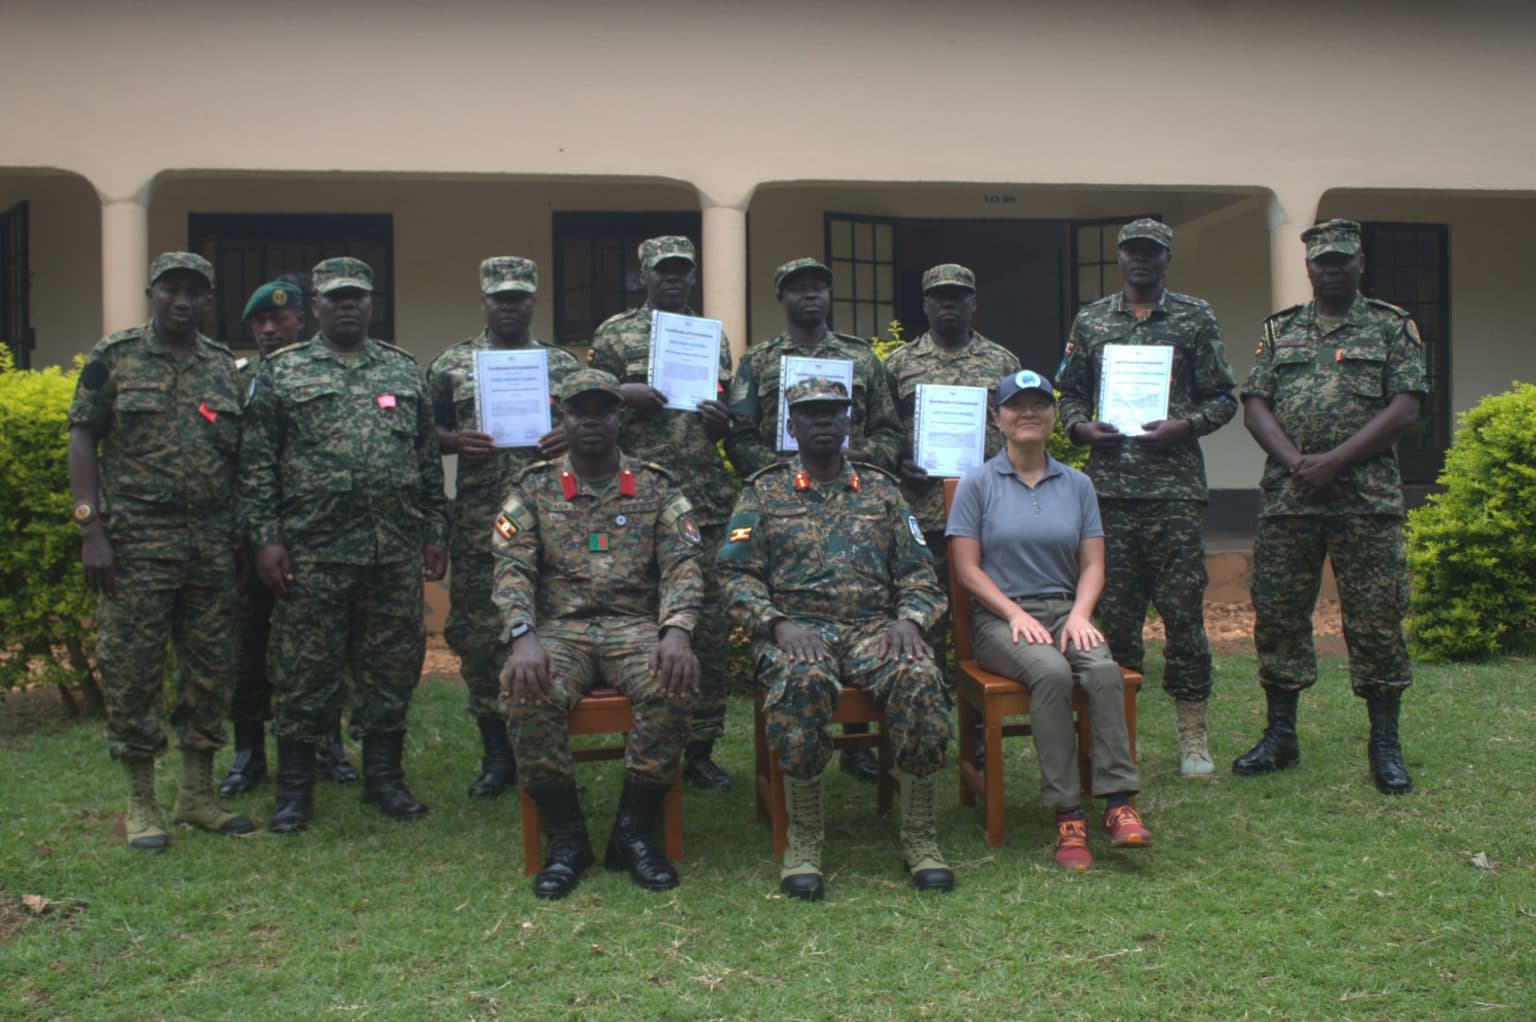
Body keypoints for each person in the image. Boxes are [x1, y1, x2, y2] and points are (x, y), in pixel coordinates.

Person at [719, 377, 952, 900]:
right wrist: (778, 625)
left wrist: (910, 620)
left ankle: (919, 835)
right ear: (792, 426)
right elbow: (735, 577)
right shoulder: (763, 490)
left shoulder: (881, 489)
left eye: (833, 414)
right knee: (800, 681)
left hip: (875, 628)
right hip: (798, 628)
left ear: (848, 424)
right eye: (810, 414)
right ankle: (803, 836)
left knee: (919, 676)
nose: (823, 422)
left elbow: (919, 573)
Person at [241, 256, 449, 832]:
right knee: (303, 672)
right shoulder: (283, 374)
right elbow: (258, 469)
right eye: (335, 298)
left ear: (372, 303)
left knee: (391, 668)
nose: (348, 305)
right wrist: (266, 540)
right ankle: (294, 792)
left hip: (393, 553)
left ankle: (384, 780)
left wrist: (435, 532)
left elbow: (427, 465)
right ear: (315, 308)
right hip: (313, 555)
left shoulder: (405, 372)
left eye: (357, 296)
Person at [67, 251, 254, 850]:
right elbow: (83, 436)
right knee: (132, 670)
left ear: (207, 300)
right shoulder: (114, 357)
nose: (182, 301)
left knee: (209, 669)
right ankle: (141, 802)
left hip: (209, 543)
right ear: (152, 292)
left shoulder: (225, 367)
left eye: (195, 292)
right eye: (171, 289)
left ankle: (196, 795)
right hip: (136, 542)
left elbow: (237, 457)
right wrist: (90, 528)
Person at [493, 369, 702, 900]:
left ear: (619, 417)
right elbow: (511, 569)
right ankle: (566, 837)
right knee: (527, 690)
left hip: (635, 629)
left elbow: (683, 566)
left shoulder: (656, 485)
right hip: (560, 633)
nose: (590, 420)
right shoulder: (533, 487)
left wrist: (676, 631)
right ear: (562, 419)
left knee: (670, 683)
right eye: (577, 411)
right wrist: (523, 636)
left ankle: (633, 832)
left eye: (602, 410)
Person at [1233, 219, 1425, 795]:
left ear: (1359, 263)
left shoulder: (1392, 327)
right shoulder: (1281, 329)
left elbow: (1406, 408)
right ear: (1309, 267)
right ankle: (1280, 734)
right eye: (1322, 261)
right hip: (1291, 499)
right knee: (1279, 614)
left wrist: (1333, 461)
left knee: (1376, 619)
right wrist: (1297, 462)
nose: (1332, 269)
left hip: (1365, 501)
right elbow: (1255, 404)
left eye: (1342, 260)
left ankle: (1384, 744)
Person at [947, 370, 1150, 873]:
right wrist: (1015, 613)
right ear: (999, 419)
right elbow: (966, 568)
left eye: (1040, 404)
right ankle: (1069, 813)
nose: (1028, 413)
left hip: (1067, 610)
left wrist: (1081, 614)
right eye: (1017, 405)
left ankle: (1118, 801)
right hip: (1001, 619)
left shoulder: (1077, 484)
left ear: (1055, 417)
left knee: (1102, 672)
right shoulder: (977, 483)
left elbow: (1094, 564)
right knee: (1052, 673)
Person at [1057, 219, 1237, 777]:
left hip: (1174, 492)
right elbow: (1070, 396)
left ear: (1165, 259)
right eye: (1131, 252)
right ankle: (1120, 735)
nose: (1140, 261)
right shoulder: (1092, 320)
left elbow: (1225, 396)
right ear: (1119, 258)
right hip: (1108, 494)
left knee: (1183, 614)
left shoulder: (1193, 316)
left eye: (1151, 253)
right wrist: (1081, 429)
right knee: (1113, 617)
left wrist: (1186, 425)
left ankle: (1192, 735)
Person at [726, 257, 905, 784]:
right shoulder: (757, 361)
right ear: (781, 299)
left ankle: (858, 746)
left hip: (857, 500)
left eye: (818, 288)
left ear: (830, 297)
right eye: (797, 289)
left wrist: (841, 463)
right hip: (784, 508)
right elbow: (738, 435)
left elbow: (892, 434)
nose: (810, 296)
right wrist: (788, 476)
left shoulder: (862, 360)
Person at [589, 236, 737, 791]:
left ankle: (700, 744)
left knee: (708, 627)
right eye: (662, 271)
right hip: (630, 498)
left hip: (700, 496)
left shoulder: (710, 336)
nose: (673, 279)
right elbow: (584, 399)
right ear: (643, 274)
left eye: (682, 271)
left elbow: (725, 406)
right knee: (637, 617)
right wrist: (623, 392)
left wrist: (723, 420)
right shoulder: (614, 334)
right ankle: (649, 734)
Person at [428, 256, 579, 799]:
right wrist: (453, 441)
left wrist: (569, 434)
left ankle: (545, 743)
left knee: (554, 623)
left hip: (551, 522)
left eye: (519, 297)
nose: (509, 306)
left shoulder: (561, 366)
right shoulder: (452, 364)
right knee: (477, 632)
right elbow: (427, 431)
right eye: (500, 297)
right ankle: (497, 754)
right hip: (479, 521)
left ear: (533, 300)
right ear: (485, 301)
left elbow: (597, 425)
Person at [220, 279, 359, 798]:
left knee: (320, 650)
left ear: (304, 319)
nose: (270, 330)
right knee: (248, 645)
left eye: (280, 320)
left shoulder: (317, 375)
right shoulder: (235, 381)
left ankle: (328, 744)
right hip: (245, 539)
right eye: (259, 322)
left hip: (309, 538)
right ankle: (248, 750)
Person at [885, 263, 1021, 672]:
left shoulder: (1002, 362)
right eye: (939, 297)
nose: (949, 304)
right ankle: (932, 705)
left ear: (973, 304)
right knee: (927, 615)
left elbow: (1020, 429)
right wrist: (898, 462)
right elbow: (882, 431)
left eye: (958, 296)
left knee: (985, 615)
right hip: (922, 512)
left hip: (987, 513)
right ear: (925, 304)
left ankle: (977, 718)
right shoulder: (898, 363)